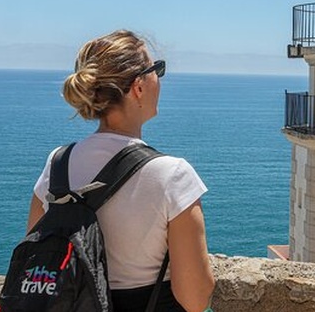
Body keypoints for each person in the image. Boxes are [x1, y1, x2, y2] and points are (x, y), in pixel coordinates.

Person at [26, 30, 215, 312]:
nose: (159, 80)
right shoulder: (172, 174)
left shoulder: (57, 164)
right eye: (157, 70)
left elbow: (37, 258)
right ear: (138, 86)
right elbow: (195, 299)